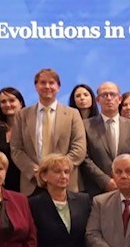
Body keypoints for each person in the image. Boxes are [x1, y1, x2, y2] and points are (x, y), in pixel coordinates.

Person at [10, 68, 88, 196]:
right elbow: (16, 149)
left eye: (51, 83)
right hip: (33, 183)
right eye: (42, 82)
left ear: (58, 87)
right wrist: (38, 173)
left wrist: (56, 171)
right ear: (36, 86)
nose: (47, 86)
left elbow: (79, 149)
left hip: (65, 184)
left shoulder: (72, 114)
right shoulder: (22, 115)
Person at [82, 81, 130, 196]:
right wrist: (106, 181)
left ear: (119, 99)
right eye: (104, 95)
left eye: (113, 95)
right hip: (98, 191)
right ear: (97, 100)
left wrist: (126, 178)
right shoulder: (86, 126)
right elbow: (85, 157)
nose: (109, 98)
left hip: (129, 190)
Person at [0, 87, 27, 191]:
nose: (8, 104)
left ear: (20, 103)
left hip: (27, 181)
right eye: (3, 102)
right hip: (2, 184)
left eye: (12, 100)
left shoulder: (31, 128)